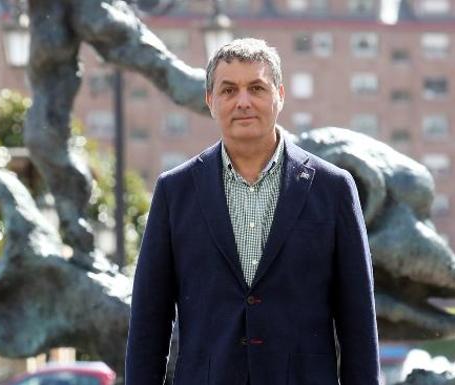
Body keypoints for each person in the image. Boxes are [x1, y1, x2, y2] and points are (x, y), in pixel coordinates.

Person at [125, 38, 380, 385]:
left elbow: (358, 321)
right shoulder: (175, 191)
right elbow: (148, 321)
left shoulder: (333, 188)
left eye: (256, 88)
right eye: (228, 90)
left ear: (280, 95)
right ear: (210, 102)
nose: (243, 101)